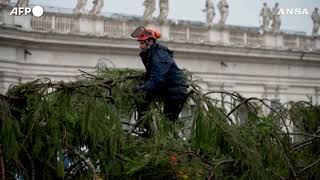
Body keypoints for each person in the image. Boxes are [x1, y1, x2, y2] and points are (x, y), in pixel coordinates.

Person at [131, 26, 188, 137]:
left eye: (142, 43)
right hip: (166, 88)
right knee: (143, 99)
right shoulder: (151, 54)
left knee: (167, 122)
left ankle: (166, 141)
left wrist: (141, 88)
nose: (140, 46)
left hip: (175, 92)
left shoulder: (159, 54)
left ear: (150, 42)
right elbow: (151, 74)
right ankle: (149, 130)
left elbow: (157, 79)